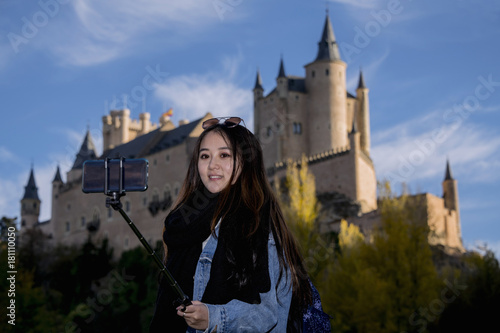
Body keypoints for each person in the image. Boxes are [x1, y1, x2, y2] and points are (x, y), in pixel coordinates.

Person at [149, 116, 312, 332]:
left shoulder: (256, 226)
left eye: (224, 155)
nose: (212, 164)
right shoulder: (182, 224)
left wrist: (214, 317)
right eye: (204, 155)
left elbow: (268, 313)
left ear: (244, 163)